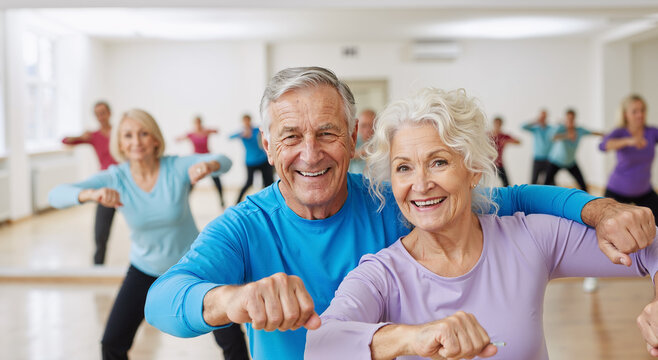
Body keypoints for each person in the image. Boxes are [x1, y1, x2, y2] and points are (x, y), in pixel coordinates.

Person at [144, 67, 655, 360]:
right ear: (267, 147)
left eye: (326, 133)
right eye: (290, 137)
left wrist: (600, 209)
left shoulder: (395, 198)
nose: (310, 152)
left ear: (351, 139)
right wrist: (231, 298)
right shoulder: (246, 226)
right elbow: (162, 300)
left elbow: (512, 201)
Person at [305, 88, 658, 360]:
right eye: (403, 168)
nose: (421, 183)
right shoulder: (382, 274)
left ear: (473, 170)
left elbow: (651, 248)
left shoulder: (529, 238)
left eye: (439, 161)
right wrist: (412, 337)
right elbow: (320, 346)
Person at [49, 109, 248, 360]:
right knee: (112, 343)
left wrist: (209, 164)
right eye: (128, 135)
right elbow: (55, 195)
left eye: (143, 133)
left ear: (155, 139)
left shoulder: (175, 166)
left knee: (231, 340)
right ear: (120, 143)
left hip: (194, 266)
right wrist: (90, 194)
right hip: (144, 269)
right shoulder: (116, 177)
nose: (136, 141)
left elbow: (224, 160)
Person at [61, 101, 118, 265]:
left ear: (109, 113)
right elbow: (65, 141)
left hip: (125, 185)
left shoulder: (120, 132)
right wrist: (81, 137)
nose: (101, 117)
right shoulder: (93, 136)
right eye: (97, 114)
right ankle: (98, 268)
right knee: (100, 233)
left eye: (103, 113)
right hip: (106, 187)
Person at [601, 94, 658, 221]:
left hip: (644, 191)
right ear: (625, 114)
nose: (640, 114)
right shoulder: (620, 132)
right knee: (605, 223)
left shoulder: (652, 132)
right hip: (617, 190)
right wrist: (629, 141)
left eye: (642, 110)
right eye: (635, 111)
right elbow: (603, 146)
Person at [545, 109, 603, 192]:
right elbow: (552, 137)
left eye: (572, 119)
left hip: (570, 162)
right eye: (568, 119)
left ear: (574, 119)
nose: (570, 121)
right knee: (546, 183)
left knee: (583, 185)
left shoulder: (579, 130)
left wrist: (605, 135)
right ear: (565, 119)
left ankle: (587, 201)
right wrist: (566, 135)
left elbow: (592, 132)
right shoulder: (561, 128)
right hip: (555, 161)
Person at [176, 115, 226, 207]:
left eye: (199, 122)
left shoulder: (205, 131)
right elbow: (180, 138)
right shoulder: (191, 134)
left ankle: (222, 201)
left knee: (216, 180)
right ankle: (184, 202)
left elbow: (216, 131)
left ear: (201, 123)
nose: (198, 125)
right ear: (194, 124)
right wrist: (178, 139)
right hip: (196, 160)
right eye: (196, 123)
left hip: (208, 158)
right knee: (192, 181)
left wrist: (213, 131)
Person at [230, 114, 274, 204]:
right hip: (250, 162)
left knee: (268, 182)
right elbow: (230, 137)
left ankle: (267, 202)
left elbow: (267, 130)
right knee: (249, 182)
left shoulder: (256, 130)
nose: (247, 122)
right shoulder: (242, 133)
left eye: (248, 120)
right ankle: (236, 202)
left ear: (250, 120)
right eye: (245, 121)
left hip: (263, 160)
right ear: (243, 122)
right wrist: (242, 135)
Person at [522, 109, 552, 184]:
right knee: (534, 180)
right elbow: (523, 126)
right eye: (541, 116)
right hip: (537, 159)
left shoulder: (550, 129)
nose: (542, 118)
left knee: (550, 181)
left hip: (548, 159)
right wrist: (535, 121)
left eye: (544, 116)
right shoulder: (536, 129)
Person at [490, 116, 520, 187]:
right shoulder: (488, 135)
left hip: (499, 163)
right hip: (488, 163)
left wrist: (507, 141)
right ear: (493, 124)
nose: (497, 126)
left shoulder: (503, 136)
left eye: (499, 124)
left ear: (501, 125)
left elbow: (518, 142)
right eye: (496, 124)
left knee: (506, 184)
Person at [349, 108, 376, 174]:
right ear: (357, 127)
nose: (367, 130)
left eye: (371, 126)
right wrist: (363, 152)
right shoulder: (352, 140)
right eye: (364, 126)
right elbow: (344, 155)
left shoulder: (382, 142)